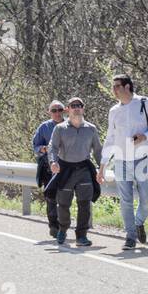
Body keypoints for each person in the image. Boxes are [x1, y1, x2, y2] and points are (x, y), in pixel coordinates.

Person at [101, 73, 148, 249]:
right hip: (121, 160)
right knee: (126, 200)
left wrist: (145, 136)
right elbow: (110, 139)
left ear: (127, 87)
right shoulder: (114, 111)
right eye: (113, 86)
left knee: (147, 199)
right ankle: (130, 237)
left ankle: (138, 223)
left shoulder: (146, 103)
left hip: (143, 158)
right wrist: (103, 166)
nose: (114, 90)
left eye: (117, 86)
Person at [47, 97, 102, 247]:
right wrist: (53, 162)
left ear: (83, 109)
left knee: (84, 204)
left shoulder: (91, 128)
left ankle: (81, 236)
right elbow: (52, 147)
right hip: (65, 169)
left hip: (84, 169)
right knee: (63, 204)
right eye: (73, 105)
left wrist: (101, 169)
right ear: (68, 110)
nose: (76, 108)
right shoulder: (60, 128)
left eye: (79, 105)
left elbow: (98, 150)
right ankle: (63, 230)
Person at [32, 100, 66, 237]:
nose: (57, 113)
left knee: (65, 197)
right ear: (49, 112)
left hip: (67, 167)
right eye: (54, 110)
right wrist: (43, 149)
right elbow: (35, 147)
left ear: (64, 111)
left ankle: (63, 224)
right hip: (49, 168)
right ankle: (54, 226)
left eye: (60, 110)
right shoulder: (44, 127)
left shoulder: (71, 125)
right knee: (52, 197)